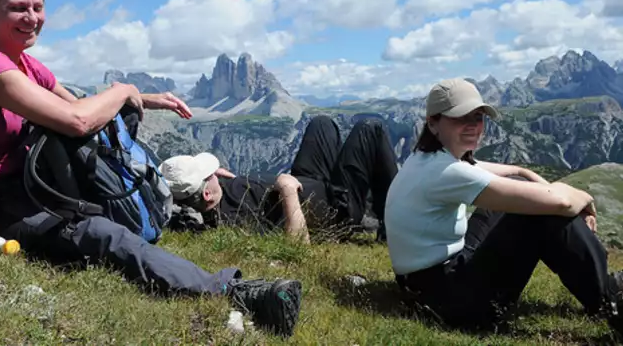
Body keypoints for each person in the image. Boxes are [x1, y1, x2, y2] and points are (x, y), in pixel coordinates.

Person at [0, 0, 302, 337]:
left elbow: (79, 104)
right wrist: (123, 88)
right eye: (18, 8)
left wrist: (143, 100)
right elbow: (76, 120)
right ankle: (232, 290)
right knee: (100, 234)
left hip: (27, 183)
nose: (32, 18)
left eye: (37, 7)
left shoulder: (25, 63)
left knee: (113, 139)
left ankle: (154, 216)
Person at [384, 77, 623, 336]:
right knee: (540, 213)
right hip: (449, 301)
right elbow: (562, 201)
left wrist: (524, 172)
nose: (473, 126)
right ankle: (610, 299)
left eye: (477, 117)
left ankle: (603, 291)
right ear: (433, 123)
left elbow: (488, 171)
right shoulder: (445, 172)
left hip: (426, 283)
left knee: (521, 189)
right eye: (460, 118)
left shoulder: (425, 157)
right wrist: (584, 199)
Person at [159, 115, 399, 243]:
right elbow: (297, 244)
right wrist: (288, 191)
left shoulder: (211, 199)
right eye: (208, 174)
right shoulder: (234, 224)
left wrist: (231, 180)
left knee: (321, 123)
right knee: (370, 128)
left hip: (307, 180)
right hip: (337, 208)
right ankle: (394, 228)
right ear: (206, 193)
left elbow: (235, 197)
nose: (214, 172)